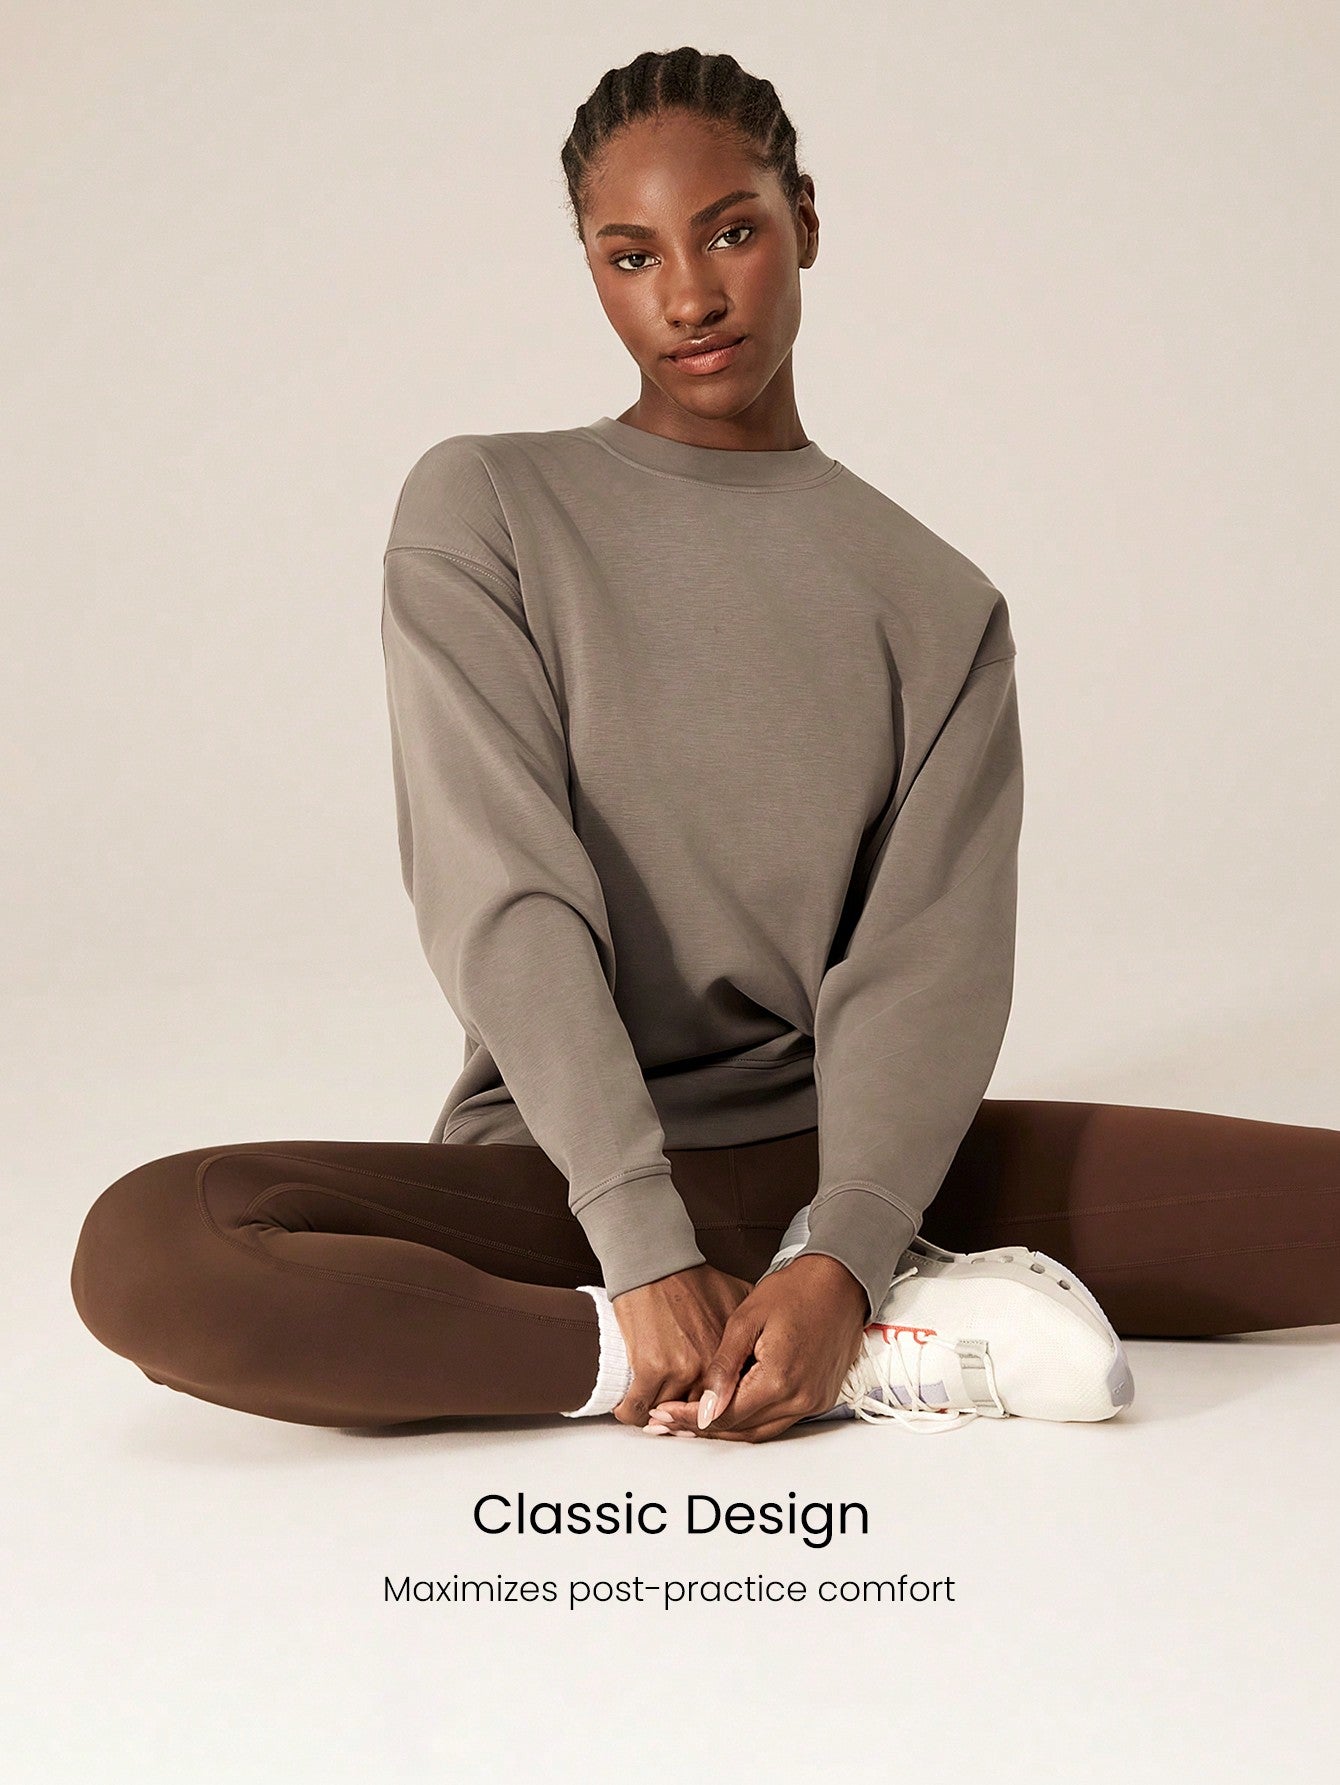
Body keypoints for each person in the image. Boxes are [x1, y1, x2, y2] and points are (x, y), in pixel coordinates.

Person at [69, 47, 1339, 1443]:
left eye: (730, 232)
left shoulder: (936, 603)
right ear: (593, 271)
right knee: (155, 1246)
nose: (687, 297)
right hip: (565, 1181)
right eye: (631, 257)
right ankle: (672, 1355)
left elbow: (929, 968)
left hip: (857, 1173)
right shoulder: (488, 506)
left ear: (806, 219)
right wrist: (640, 1248)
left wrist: (843, 1251)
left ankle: (837, 1315)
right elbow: (502, 893)